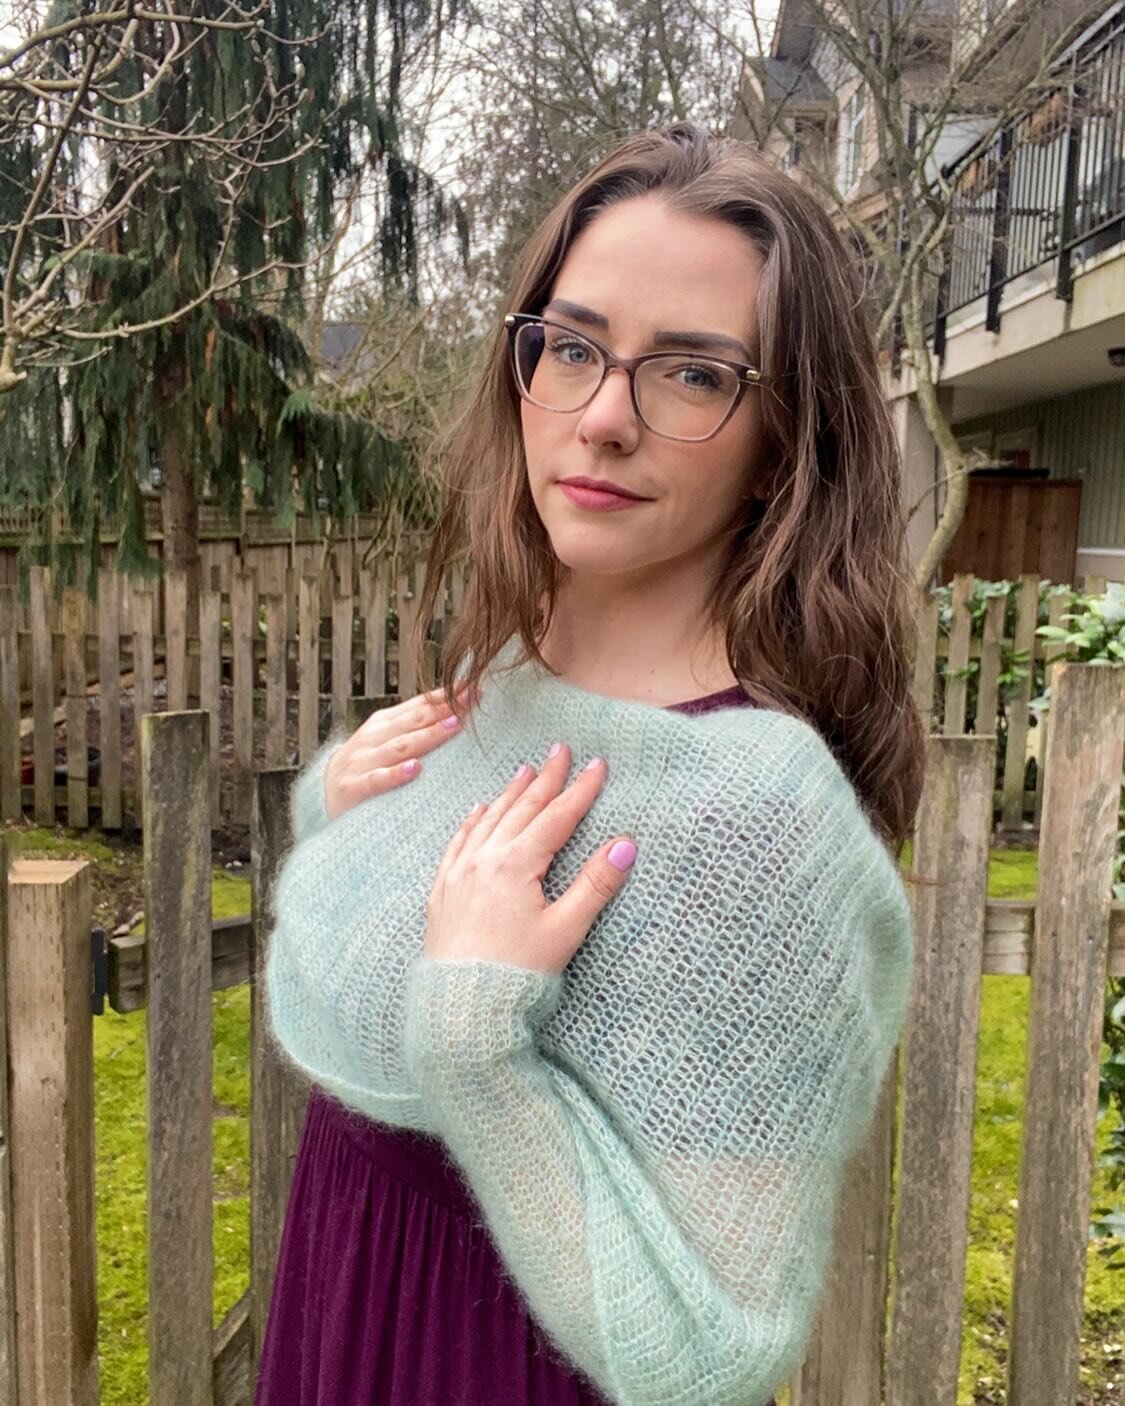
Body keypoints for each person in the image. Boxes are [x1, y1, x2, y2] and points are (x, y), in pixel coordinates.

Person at [255, 122, 925, 1406]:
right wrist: (336, 809)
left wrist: (476, 1038)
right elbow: (367, 976)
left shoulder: (758, 822)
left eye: (693, 373)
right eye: (571, 348)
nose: (605, 418)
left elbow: (712, 1350)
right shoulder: (500, 682)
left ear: (786, 439)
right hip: (343, 1319)